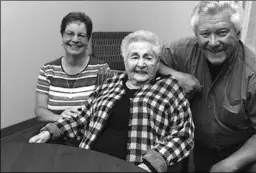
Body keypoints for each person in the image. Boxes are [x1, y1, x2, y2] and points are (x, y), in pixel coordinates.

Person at [29, 30, 195, 173]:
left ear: (157, 62)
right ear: (125, 60)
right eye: (134, 57)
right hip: (90, 160)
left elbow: (183, 134)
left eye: (148, 58)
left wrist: (153, 163)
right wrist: (50, 132)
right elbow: (83, 118)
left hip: (135, 167)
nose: (141, 64)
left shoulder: (170, 88)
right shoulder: (110, 83)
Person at [159, 1, 256, 172]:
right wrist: (175, 75)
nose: (213, 42)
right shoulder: (181, 49)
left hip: (245, 147)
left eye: (222, 32)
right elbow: (151, 62)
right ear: (196, 34)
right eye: (205, 34)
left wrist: (231, 164)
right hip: (199, 146)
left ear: (238, 32)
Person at [34, 12, 111, 146]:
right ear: (62, 36)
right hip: (51, 136)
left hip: (87, 138)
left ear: (88, 39)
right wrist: (60, 118)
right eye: (69, 33)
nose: (75, 39)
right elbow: (40, 111)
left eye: (81, 35)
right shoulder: (48, 70)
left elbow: (103, 111)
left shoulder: (102, 69)